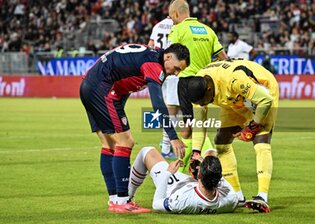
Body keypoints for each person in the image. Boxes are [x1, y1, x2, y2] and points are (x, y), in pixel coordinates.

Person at [80, 43, 190, 213]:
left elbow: (121, 73)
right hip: (103, 90)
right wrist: (173, 137)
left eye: (179, 71)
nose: (175, 73)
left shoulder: (150, 55)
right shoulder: (155, 65)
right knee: (126, 142)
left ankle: (115, 200)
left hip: (91, 85)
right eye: (176, 68)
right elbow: (158, 105)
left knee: (109, 145)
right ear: (167, 57)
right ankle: (123, 201)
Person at [183, 59, 279, 213]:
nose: (201, 105)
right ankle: (237, 196)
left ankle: (262, 196)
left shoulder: (234, 79)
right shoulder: (199, 86)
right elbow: (199, 124)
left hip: (261, 91)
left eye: (203, 102)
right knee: (221, 142)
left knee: (261, 139)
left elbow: (265, 100)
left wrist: (252, 126)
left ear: (208, 89)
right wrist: (195, 153)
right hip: (235, 100)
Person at [168, 0, 228, 171]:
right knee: (194, 126)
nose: (171, 19)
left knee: (191, 128)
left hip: (187, 82)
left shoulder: (178, 29)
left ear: (177, 14)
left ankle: (204, 161)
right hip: (206, 84)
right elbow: (224, 57)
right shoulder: (208, 30)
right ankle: (187, 170)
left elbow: (170, 55)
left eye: (171, 16)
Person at [128, 146, 239, 214]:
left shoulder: (181, 201)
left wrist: (168, 173)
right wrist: (204, 162)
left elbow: (156, 204)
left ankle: (127, 197)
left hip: (173, 185)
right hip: (192, 184)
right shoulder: (230, 199)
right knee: (211, 152)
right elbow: (218, 176)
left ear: (199, 175)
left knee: (147, 151)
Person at [148, 16, 178, 158]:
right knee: (172, 110)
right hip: (172, 69)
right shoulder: (177, 26)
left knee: (166, 108)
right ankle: (166, 147)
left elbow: (150, 46)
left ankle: (166, 144)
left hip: (158, 69)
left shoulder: (158, 25)